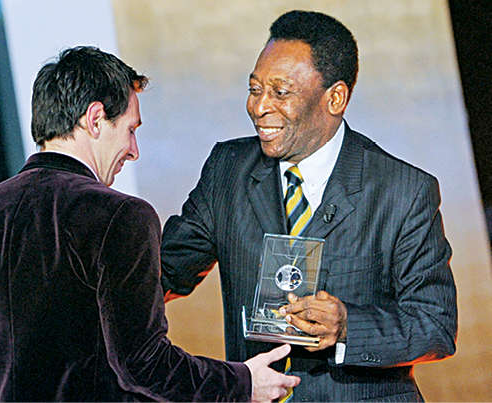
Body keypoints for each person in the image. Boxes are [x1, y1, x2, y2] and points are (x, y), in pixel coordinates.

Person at [0, 46, 300, 402]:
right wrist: (241, 383)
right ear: (95, 118)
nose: (133, 150)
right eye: (130, 130)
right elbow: (145, 365)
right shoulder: (120, 216)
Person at [160, 10, 457, 402]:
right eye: (254, 89)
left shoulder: (404, 191)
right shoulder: (227, 170)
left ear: (335, 98)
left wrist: (347, 327)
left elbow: (435, 325)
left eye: (280, 93)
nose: (259, 107)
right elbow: (162, 272)